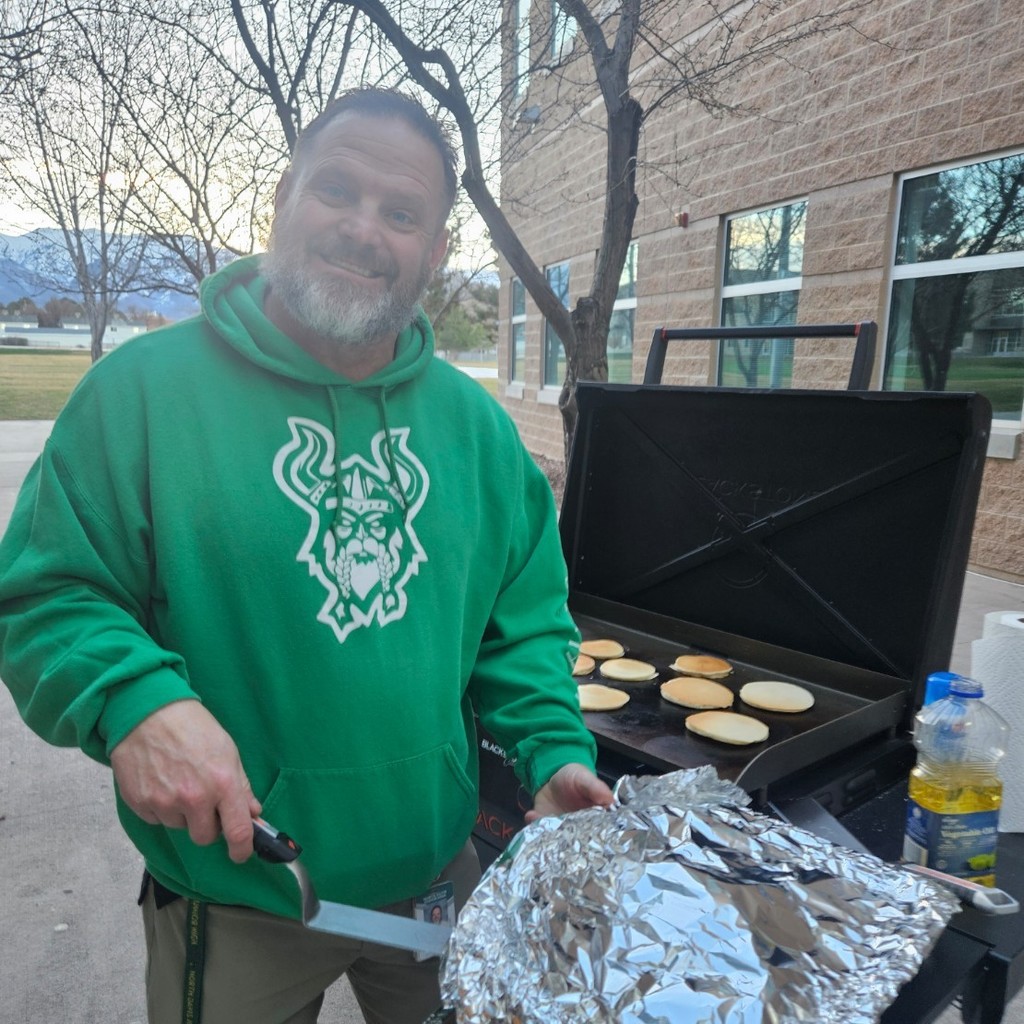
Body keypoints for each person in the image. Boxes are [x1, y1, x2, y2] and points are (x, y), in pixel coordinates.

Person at [0, 88, 613, 1024]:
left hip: (432, 878)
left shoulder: (479, 432)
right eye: (336, 191)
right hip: (240, 888)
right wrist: (133, 702)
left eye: (401, 213)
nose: (363, 229)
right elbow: (47, 594)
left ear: (437, 249)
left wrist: (554, 750)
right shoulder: (140, 395)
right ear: (284, 198)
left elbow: (522, 629)